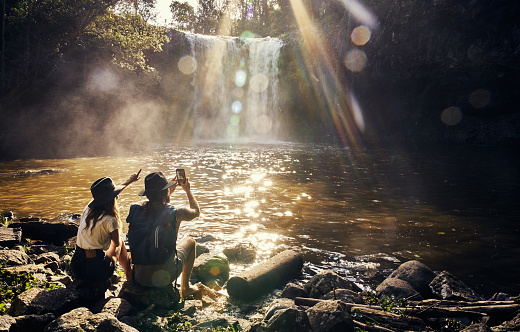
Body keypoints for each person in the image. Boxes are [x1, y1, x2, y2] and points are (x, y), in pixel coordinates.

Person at [127, 171, 201, 298]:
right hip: (164, 277)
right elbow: (196, 211)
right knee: (190, 241)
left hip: (139, 277)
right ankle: (186, 288)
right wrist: (187, 190)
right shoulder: (177, 213)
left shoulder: (136, 210)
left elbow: (157, 208)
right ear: (164, 193)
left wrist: (166, 192)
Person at [70, 171, 140, 282]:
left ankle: (127, 273)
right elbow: (115, 244)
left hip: (76, 267)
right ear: (113, 198)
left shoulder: (88, 209)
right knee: (119, 243)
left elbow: (109, 195)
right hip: (96, 271)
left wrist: (129, 181)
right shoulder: (110, 220)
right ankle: (129, 274)